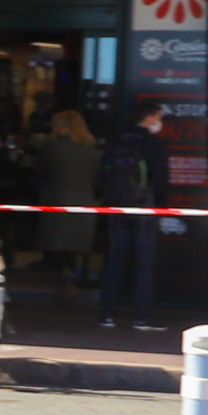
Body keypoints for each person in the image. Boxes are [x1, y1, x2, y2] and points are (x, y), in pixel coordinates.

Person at [97, 105, 176, 330]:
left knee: (114, 260)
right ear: (149, 117)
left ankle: (106, 314)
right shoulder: (154, 144)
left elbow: (103, 173)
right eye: (158, 117)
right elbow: (161, 180)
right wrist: (161, 206)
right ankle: (143, 317)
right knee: (144, 263)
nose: (160, 121)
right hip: (144, 207)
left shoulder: (116, 141)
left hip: (116, 206)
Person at [33, 109, 102, 296]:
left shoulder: (52, 146)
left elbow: (40, 170)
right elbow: (97, 176)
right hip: (84, 201)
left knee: (57, 242)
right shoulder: (90, 147)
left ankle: (63, 273)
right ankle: (71, 272)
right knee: (75, 244)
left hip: (57, 199)